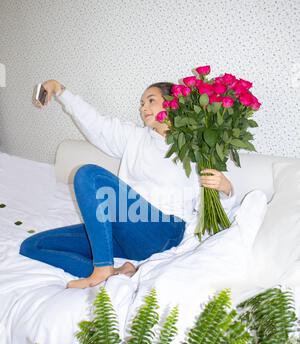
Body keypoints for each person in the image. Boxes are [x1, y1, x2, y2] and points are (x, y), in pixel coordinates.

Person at [19, 79, 236, 289]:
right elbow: (96, 123)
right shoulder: (135, 137)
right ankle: (116, 273)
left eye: (151, 100)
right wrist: (59, 89)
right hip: (125, 230)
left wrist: (226, 189)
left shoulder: (194, 148)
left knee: (88, 175)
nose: (144, 108)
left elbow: (209, 209)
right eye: (142, 103)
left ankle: (102, 267)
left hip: (163, 231)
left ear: (173, 103)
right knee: (31, 246)